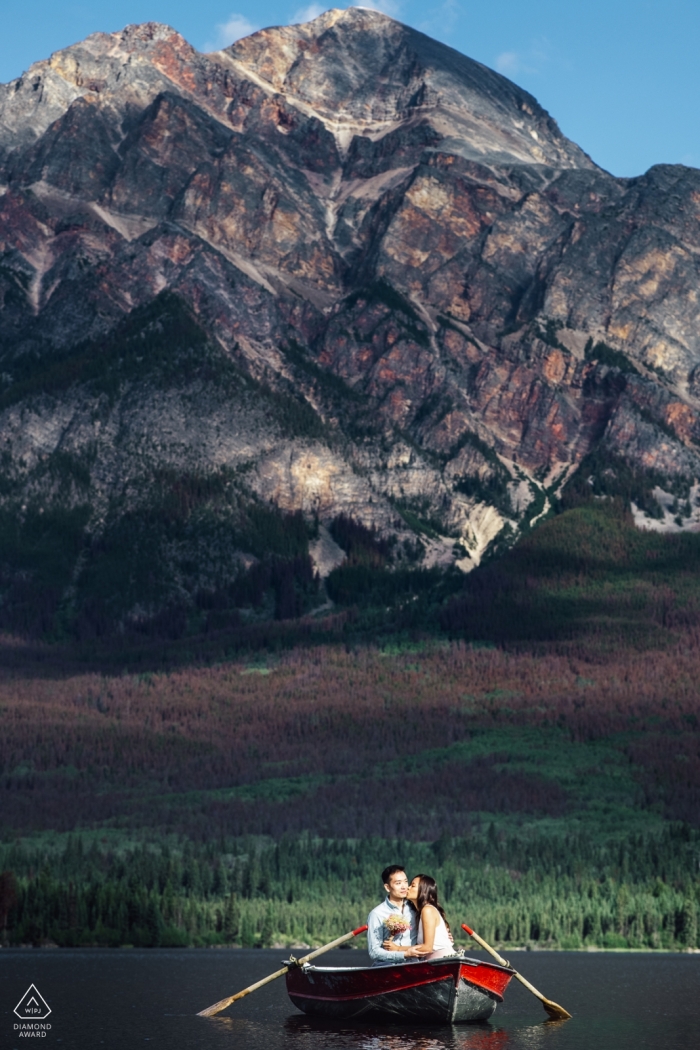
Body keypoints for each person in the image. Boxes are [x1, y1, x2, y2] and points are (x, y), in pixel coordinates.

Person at [382, 873, 455, 961]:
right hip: (434, 962)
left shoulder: (427, 910)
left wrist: (397, 949)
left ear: (423, 891)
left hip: (444, 962)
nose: (408, 888)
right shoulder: (421, 912)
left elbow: (427, 948)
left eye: (412, 886)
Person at [366, 865, 425, 965]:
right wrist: (404, 954)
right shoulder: (376, 914)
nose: (404, 886)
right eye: (398, 883)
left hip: (415, 965)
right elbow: (374, 952)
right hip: (388, 967)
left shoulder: (415, 909)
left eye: (406, 881)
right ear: (387, 887)